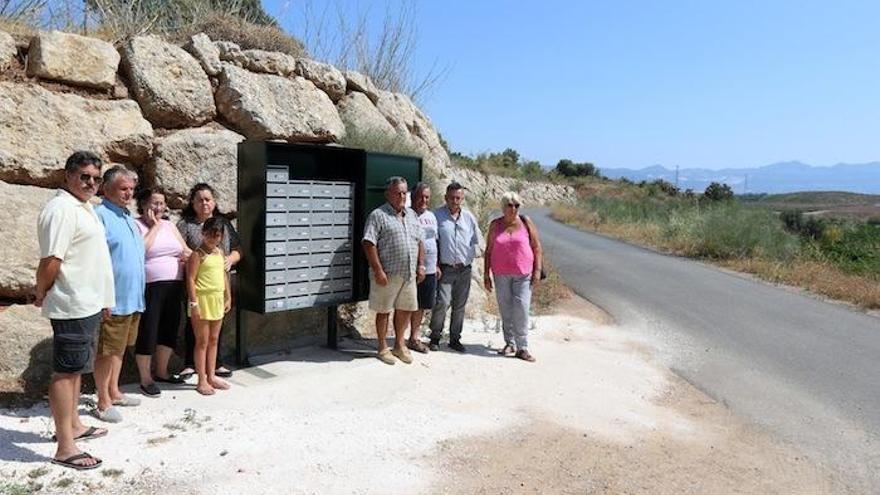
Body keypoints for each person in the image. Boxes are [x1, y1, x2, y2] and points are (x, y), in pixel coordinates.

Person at [35, 151, 115, 470]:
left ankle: (75, 426)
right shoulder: (61, 209)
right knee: (65, 372)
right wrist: (41, 291)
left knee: (77, 368)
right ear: (67, 175)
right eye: (85, 177)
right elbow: (51, 260)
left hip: (87, 303)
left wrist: (104, 299)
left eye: (96, 178)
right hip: (71, 303)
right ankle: (65, 447)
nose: (91, 183)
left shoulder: (82, 207)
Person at [93, 166, 146, 422]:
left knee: (120, 348)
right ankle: (102, 401)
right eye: (123, 189)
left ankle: (114, 390)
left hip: (132, 297)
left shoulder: (127, 216)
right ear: (106, 188)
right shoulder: (100, 215)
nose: (128, 194)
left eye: (131, 189)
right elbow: (96, 259)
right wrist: (103, 296)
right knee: (106, 351)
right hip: (113, 299)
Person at [176, 183, 241, 379]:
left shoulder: (224, 224)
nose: (204, 203)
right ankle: (191, 364)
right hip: (197, 286)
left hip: (219, 284)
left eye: (208, 199)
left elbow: (238, 248)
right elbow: (178, 249)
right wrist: (191, 256)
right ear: (192, 203)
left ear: (214, 202)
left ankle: (215, 365)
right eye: (200, 199)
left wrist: (230, 259)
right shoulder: (186, 225)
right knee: (194, 328)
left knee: (215, 330)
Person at [134, 188, 191, 397]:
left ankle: (162, 371)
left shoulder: (170, 225)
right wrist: (155, 227)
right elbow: (141, 249)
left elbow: (184, 249)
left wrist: (192, 257)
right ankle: (145, 377)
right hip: (152, 286)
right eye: (154, 203)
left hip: (175, 284)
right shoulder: (136, 224)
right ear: (143, 204)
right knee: (149, 329)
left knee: (170, 327)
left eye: (161, 203)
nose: (158, 207)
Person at [362, 176, 426, 365]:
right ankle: (382, 347)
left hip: (408, 274)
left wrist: (421, 265)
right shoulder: (378, 215)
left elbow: (420, 241)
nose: (402, 196)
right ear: (388, 193)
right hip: (387, 275)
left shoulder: (412, 215)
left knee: (405, 310)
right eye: (397, 192)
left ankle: (399, 345)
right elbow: (368, 243)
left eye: (404, 193)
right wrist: (378, 271)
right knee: (384, 311)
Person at [483, 192, 543, 362]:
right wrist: (486, 274)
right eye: (510, 205)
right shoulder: (495, 225)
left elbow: (537, 247)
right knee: (505, 308)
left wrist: (537, 270)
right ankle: (509, 343)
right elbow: (488, 251)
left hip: (523, 273)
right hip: (500, 273)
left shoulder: (526, 222)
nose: (514, 209)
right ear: (503, 207)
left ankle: (522, 347)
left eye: (517, 205)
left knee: (521, 308)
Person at [428, 181, 482, 352]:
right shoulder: (436, 216)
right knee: (442, 302)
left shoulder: (469, 217)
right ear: (445, 198)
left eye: (458, 198)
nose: (455, 201)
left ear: (462, 199)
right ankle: (435, 336)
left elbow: (476, 240)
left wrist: (473, 256)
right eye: (452, 198)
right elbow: (432, 242)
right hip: (445, 268)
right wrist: (435, 264)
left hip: (464, 269)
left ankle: (454, 339)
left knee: (459, 306)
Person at [186, 217, 232, 395]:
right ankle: (202, 379)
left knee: (214, 340)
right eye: (210, 235)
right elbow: (190, 279)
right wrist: (194, 303)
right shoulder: (197, 255)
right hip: (202, 301)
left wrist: (228, 296)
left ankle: (211, 375)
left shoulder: (219, 253)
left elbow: (223, 275)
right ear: (203, 233)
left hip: (217, 300)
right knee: (202, 341)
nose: (213, 239)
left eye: (217, 235)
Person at [403, 182, 439, 353]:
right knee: (406, 303)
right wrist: (419, 264)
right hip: (411, 268)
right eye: (420, 197)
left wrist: (436, 264)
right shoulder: (407, 215)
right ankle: (399, 340)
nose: (423, 200)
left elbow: (434, 240)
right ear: (414, 197)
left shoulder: (432, 216)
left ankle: (414, 338)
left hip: (430, 269)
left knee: (421, 305)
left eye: (427, 197)